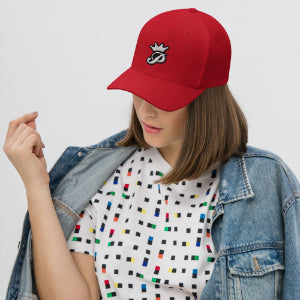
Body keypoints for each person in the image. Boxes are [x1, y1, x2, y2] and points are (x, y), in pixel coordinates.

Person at [4, 8, 300, 300]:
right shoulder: (99, 179)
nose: (145, 110)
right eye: (141, 90)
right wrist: (36, 186)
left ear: (207, 101)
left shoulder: (267, 183)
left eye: (164, 97)